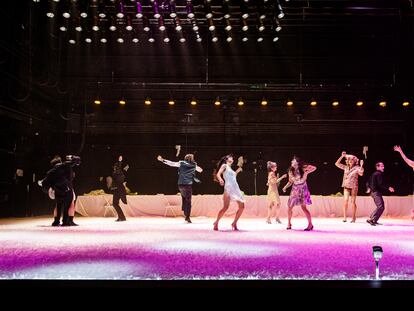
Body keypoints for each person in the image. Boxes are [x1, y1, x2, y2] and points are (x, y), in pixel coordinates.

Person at [157, 154, 203, 223]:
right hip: (188, 185)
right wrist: (195, 167)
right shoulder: (194, 165)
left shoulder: (181, 163)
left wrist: (163, 160)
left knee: (184, 198)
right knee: (188, 201)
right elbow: (200, 170)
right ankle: (187, 217)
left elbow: (172, 163)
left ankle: (185, 213)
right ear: (192, 159)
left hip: (180, 184)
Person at [39, 155, 81, 226]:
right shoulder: (64, 165)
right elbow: (77, 160)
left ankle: (56, 221)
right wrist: (72, 157)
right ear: (60, 161)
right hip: (67, 189)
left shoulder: (50, 172)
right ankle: (65, 221)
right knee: (67, 206)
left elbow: (44, 184)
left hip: (58, 190)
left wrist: (48, 186)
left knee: (58, 205)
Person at [282, 157, 316, 231]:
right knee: (289, 207)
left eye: (293, 161)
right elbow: (290, 181)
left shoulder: (302, 169)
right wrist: (285, 187)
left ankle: (310, 224)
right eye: (292, 161)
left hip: (303, 190)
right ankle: (289, 223)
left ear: (297, 163)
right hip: (295, 190)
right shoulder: (290, 171)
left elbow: (314, 168)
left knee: (304, 208)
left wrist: (307, 170)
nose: (292, 162)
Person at [213, 155, 245, 231]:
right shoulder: (225, 165)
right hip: (228, 187)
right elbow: (218, 174)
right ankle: (216, 222)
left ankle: (234, 223)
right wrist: (220, 179)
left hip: (236, 188)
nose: (232, 158)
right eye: (231, 157)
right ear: (227, 159)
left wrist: (238, 171)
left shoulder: (230, 169)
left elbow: (233, 176)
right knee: (225, 207)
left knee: (242, 206)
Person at [335, 151, 364, 223]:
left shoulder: (357, 167)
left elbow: (361, 174)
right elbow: (337, 164)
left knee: (353, 201)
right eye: (349, 160)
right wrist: (342, 156)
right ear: (347, 161)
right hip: (346, 185)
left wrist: (361, 166)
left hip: (354, 186)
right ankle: (344, 217)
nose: (350, 161)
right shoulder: (346, 167)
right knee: (345, 200)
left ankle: (353, 217)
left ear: (354, 161)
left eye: (352, 160)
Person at [112, 155, 129, 222]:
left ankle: (122, 217)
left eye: (116, 167)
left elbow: (119, 167)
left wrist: (119, 161)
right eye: (114, 167)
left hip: (119, 189)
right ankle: (121, 217)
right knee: (115, 203)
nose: (115, 168)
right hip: (117, 189)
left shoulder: (119, 172)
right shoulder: (116, 173)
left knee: (115, 203)